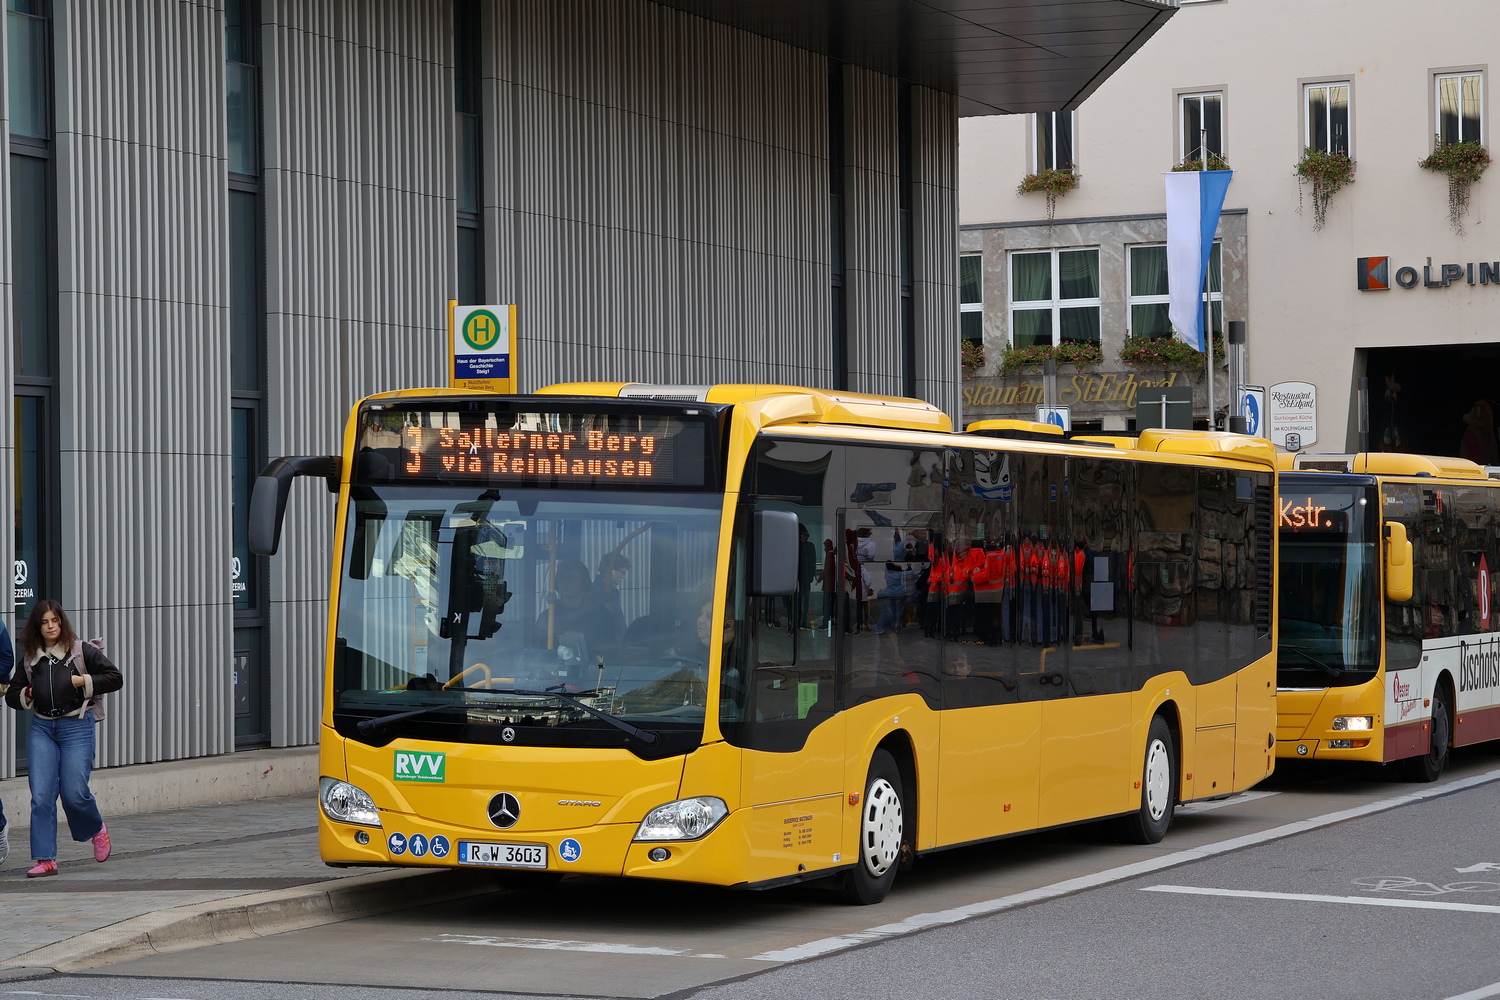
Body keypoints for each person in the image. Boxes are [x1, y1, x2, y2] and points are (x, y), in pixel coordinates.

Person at [5, 601, 122, 878]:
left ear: (62, 622)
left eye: (55, 620)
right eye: (45, 622)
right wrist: (29, 693)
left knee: (74, 792)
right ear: (38, 626)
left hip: (76, 726)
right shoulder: (31, 658)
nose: (50, 626)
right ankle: (45, 859)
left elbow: (115, 677)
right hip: (42, 729)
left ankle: (96, 828)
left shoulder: (81, 650)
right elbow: (13, 694)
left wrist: (85, 682)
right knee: (42, 795)